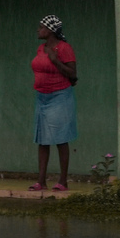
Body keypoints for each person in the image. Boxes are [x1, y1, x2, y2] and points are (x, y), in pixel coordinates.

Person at [28, 15, 78, 192]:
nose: (38, 30)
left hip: (60, 97)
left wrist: (55, 59)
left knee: (60, 139)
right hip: (42, 97)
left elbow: (73, 74)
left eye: (41, 27)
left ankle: (62, 181)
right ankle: (41, 181)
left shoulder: (64, 48)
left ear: (50, 30)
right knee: (42, 140)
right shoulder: (41, 48)